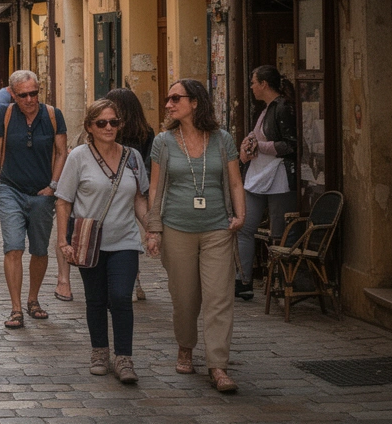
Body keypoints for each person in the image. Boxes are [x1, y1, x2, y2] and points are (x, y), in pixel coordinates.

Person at [146, 78, 246, 393]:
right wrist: (154, 228)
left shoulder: (222, 140)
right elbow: (155, 190)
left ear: (195, 103)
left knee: (219, 297)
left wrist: (241, 215)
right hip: (177, 228)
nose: (168, 104)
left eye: (175, 98)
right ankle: (185, 346)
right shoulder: (162, 141)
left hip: (218, 228)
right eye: (168, 98)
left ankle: (218, 366)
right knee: (185, 297)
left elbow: (234, 183)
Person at [55, 100, 150, 383]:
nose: (108, 127)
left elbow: (139, 199)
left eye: (114, 122)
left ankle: (124, 358)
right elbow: (63, 202)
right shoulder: (78, 157)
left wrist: (152, 230)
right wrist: (63, 241)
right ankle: (99, 351)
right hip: (89, 241)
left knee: (121, 297)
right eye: (101, 123)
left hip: (125, 240)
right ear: (89, 127)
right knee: (96, 299)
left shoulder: (132, 157)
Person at [0, 70, 69, 329]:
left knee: (40, 250)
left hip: (43, 193)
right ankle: (16, 308)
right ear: (12, 94)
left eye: (34, 93)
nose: (30, 99)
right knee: (13, 246)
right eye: (24, 95)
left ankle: (33, 300)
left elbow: (62, 152)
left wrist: (53, 186)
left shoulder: (53, 115)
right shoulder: (4, 114)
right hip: (11, 188)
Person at [236, 65, 298, 301]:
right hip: (258, 174)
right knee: (245, 226)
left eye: (253, 82)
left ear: (264, 84)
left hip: (279, 176)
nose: (251, 87)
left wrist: (258, 145)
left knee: (280, 233)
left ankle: (283, 284)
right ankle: (243, 281)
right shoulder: (264, 109)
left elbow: (291, 145)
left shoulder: (282, 107)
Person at [107, 87, 157, 302]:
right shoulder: (146, 131)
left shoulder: (110, 131)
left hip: (112, 191)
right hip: (137, 189)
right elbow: (148, 164)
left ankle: (118, 280)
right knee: (131, 237)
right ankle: (134, 281)